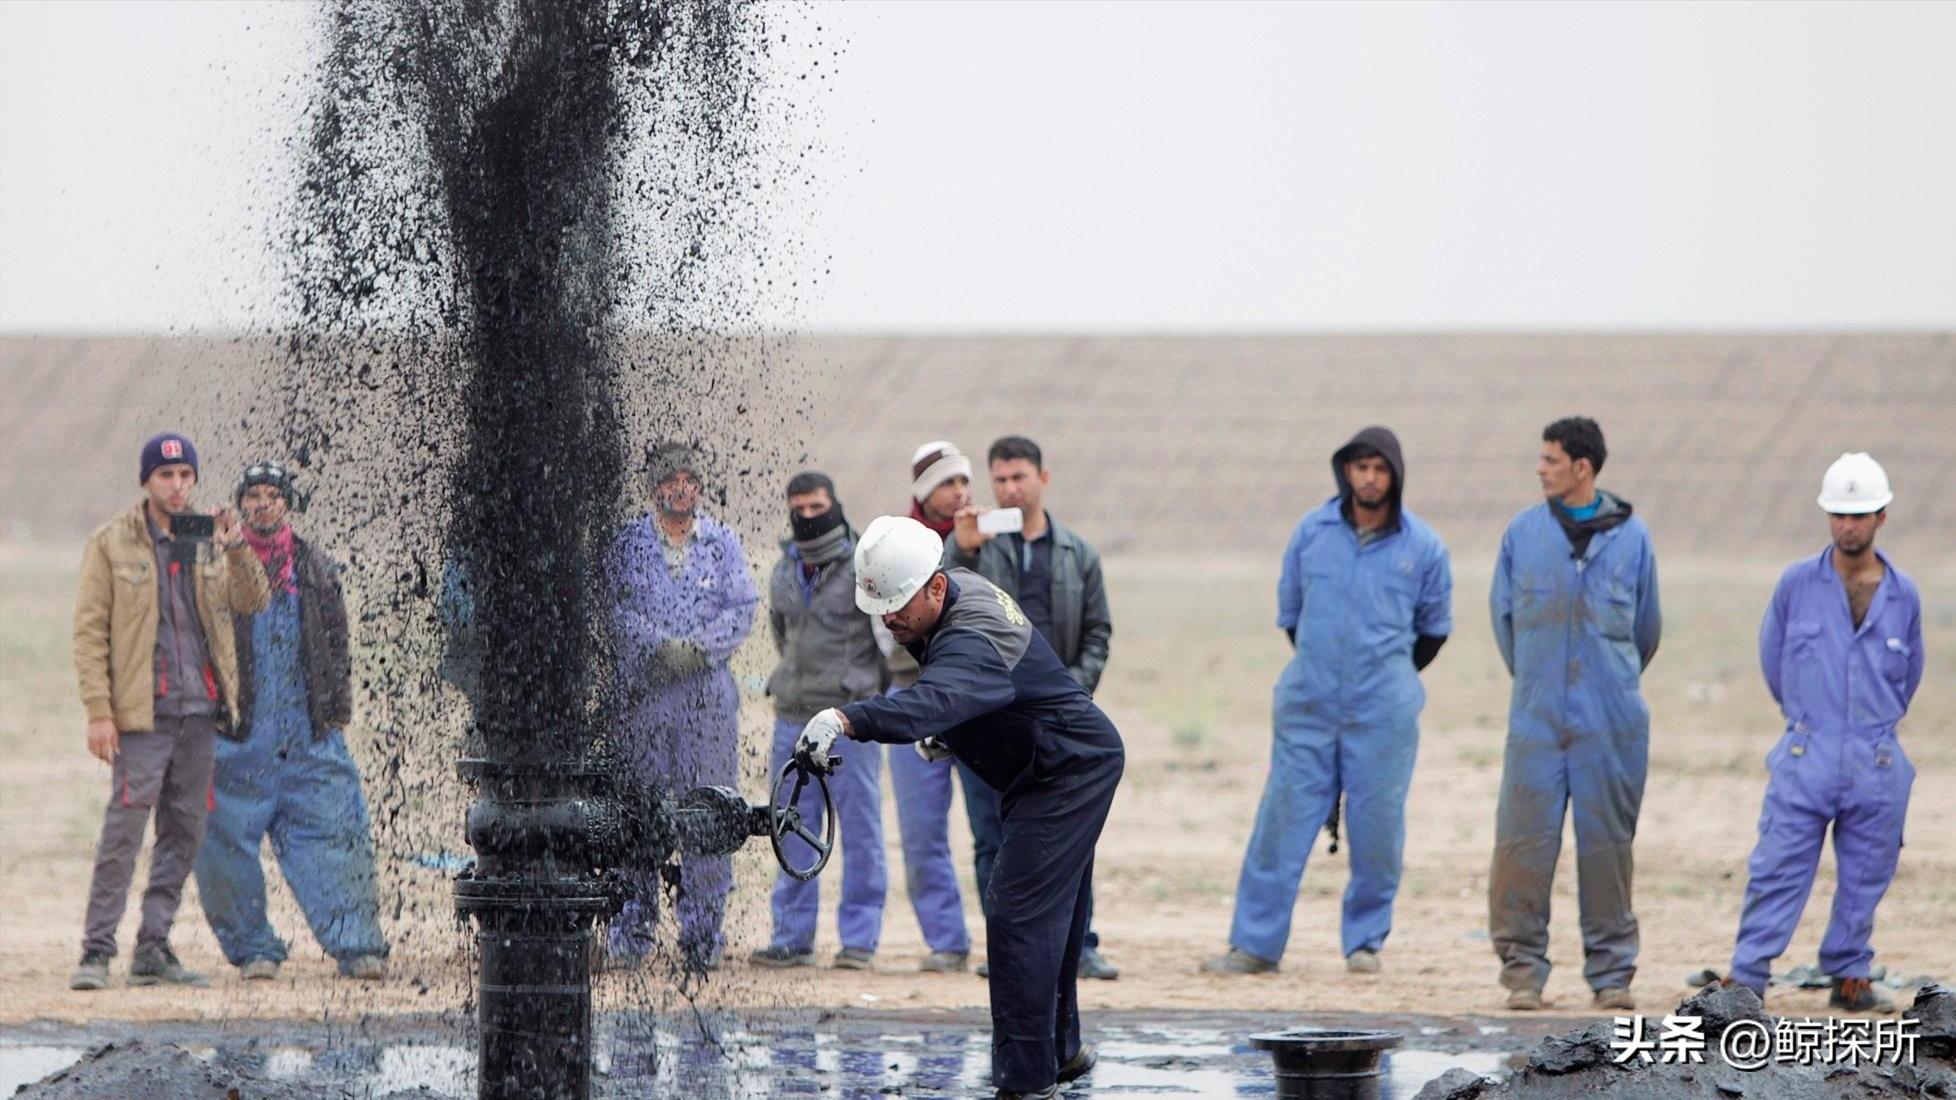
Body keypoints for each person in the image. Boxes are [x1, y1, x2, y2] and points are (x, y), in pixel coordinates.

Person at [795, 515, 1123, 1100]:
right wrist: (960, 728)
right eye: (882, 610)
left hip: (1067, 771)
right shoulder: (952, 591)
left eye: (897, 606)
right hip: (1048, 764)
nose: (890, 621)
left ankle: (1026, 1081)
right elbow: (992, 691)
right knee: (1058, 909)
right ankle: (1060, 1050)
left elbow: (937, 696)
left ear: (935, 587)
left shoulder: (971, 632)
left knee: (1017, 911)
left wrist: (847, 718)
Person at [1204, 426, 1452, 977]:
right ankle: (1255, 946)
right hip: (1308, 703)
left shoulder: (1423, 546)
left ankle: (1364, 943)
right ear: (1345, 471)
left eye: (1379, 468)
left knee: (1378, 828)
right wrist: (1326, 668)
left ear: (1395, 475)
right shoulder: (1311, 533)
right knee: (1280, 823)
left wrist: (1384, 675)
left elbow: (1434, 631)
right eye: (1359, 466)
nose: (1368, 477)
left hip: (1383, 710)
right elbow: (1291, 615)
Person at [69, 433, 271, 990]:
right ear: (146, 481)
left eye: (186, 477)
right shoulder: (113, 543)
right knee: (123, 833)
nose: (178, 487)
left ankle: (153, 948)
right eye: (166, 476)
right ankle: (95, 951)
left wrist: (234, 546)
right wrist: (98, 712)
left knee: (184, 831)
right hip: (142, 714)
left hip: (199, 710)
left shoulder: (204, 538)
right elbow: (89, 634)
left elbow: (253, 601)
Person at [1724, 452, 1922, 1013]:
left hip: (1875, 758)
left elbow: (1911, 676)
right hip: (1807, 749)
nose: (1846, 525)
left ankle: (1851, 974)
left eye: (1858, 515)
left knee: (1866, 872)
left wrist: (1872, 729)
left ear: (1881, 516)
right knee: (1778, 866)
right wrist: (1809, 723)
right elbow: (1772, 660)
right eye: (1837, 514)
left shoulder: (1904, 595)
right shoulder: (1796, 585)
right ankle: (1747, 979)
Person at [1487, 417, 1661, 1011]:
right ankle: (1522, 974)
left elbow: (1646, 629)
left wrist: (1604, 684)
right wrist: (1542, 682)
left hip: (1611, 723)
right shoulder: (1522, 534)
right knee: (1521, 846)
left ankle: (1612, 976)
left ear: (1582, 468)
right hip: (1535, 720)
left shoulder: (1633, 537)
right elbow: (1504, 621)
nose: (1539, 469)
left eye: (1550, 460)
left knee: (1608, 848)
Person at [192, 461, 389, 982]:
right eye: (252, 495)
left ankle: (358, 946)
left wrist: (334, 711)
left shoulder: (316, 566)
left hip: (308, 732)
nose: (262, 503)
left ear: (287, 504)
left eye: (272, 494)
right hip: (238, 735)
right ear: (239, 505)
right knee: (220, 840)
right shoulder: (212, 564)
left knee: (336, 831)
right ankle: (253, 948)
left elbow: (337, 644)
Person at [947, 435, 1118, 981]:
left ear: (1043, 479)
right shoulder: (976, 547)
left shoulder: (1078, 553)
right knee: (991, 838)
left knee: (1070, 836)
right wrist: (963, 548)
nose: (1009, 488)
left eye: (1019, 477)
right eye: (999, 479)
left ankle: (1080, 945)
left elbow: (1098, 633)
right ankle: (1006, 947)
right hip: (988, 718)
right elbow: (942, 604)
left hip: (1060, 720)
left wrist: (1070, 694)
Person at [608, 443, 758, 969]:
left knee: (707, 814)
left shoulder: (722, 542)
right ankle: (630, 934)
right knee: (637, 817)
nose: (680, 487)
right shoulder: (626, 542)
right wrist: (657, 648)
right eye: (670, 479)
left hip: (706, 705)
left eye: (689, 479)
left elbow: (743, 608)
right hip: (643, 701)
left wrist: (696, 651)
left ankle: (701, 937)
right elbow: (612, 608)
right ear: (654, 487)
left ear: (699, 486)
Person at [750, 472, 890, 970]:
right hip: (791, 715)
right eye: (799, 508)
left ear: (835, 504)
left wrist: (862, 695)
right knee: (789, 824)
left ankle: (859, 938)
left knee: (859, 826)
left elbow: (885, 642)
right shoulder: (785, 567)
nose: (808, 516)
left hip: (850, 720)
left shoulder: (864, 565)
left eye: (817, 506)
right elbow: (779, 632)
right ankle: (791, 936)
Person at [868, 440, 976, 972]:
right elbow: (885, 630)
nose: (959, 493)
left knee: (996, 829)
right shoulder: (895, 547)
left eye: (963, 482)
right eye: (946, 483)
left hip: (978, 702)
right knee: (920, 830)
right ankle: (946, 942)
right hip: (914, 694)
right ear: (923, 492)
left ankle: (1012, 938)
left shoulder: (989, 544)